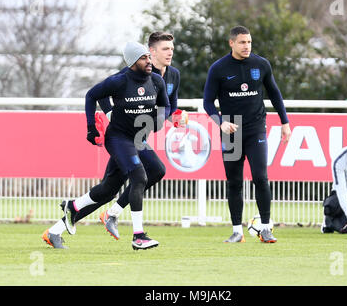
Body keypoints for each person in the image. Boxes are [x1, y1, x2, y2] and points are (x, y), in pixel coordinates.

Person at [42, 32, 182, 249]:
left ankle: (63, 222)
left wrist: (169, 118)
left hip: (138, 140)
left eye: (171, 49)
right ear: (150, 53)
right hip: (120, 138)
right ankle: (137, 235)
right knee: (139, 176)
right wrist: (104, 117)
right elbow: (97, 95)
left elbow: (168, 106)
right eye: (165, 49)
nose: (170, 52)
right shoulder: (125, 77)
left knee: (114, 186)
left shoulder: (169, 76)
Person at [203, 26, 291, 243]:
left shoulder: (261, 64)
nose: (247, 46)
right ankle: (236, 231)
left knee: (261, 178)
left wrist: (285, 122)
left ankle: (266, 228)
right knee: (234, 182)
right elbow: (207, 102)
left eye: (249, 42)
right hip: (231, 130)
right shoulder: (218, 68)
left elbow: (275, 94)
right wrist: (220, 122)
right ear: (231, 43)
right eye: (242, 42)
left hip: (256, 128)